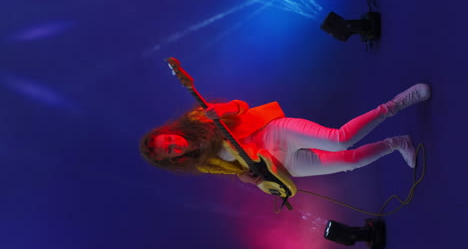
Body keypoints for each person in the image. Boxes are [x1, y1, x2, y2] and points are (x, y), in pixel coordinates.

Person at [139, 83, 431, 185]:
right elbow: (235, 171)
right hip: (278, 165)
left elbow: (240, 107)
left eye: (168, 141)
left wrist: (224, 109)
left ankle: (396, 104)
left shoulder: (196, 118)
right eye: (170, 152)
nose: (174, 146)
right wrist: (245, 177)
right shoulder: (203, 163)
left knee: (340, 138)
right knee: (348, 160)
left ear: (170, 132)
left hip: (274, 133)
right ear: (175, 159)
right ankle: (396, 143)